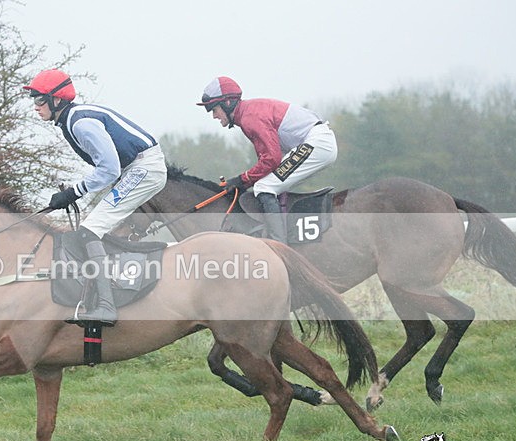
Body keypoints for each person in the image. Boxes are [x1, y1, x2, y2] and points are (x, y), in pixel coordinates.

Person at [24, 69, 167, 326]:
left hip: (144, 169)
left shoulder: (81, 123)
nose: (35, 107)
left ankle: (106, 306)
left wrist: (73, 192)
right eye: (33, 100)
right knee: (92, 229)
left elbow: (109, 168)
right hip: (136, 169)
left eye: (39, 99)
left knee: (90, 231)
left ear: (57, 99)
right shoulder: (72, 119)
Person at [196, 76, 338, 243]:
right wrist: (244, 182)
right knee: (269, 183)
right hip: (315, 142)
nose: (213, 116)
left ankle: (278, 244)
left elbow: (272, 159)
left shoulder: (250, 117)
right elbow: (269, 162)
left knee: (265, 186)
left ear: (227, 103)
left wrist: (242, 179)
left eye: (213, 109)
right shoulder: (248, 113)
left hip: (317, 143)